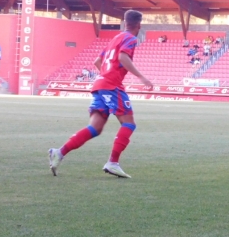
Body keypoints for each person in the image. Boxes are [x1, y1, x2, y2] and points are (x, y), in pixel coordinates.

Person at [48, 10, 153, 178]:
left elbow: (97, 61)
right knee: (129, 123)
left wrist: (105, 76)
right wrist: (141, 77)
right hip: (111, 86)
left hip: (100, 84)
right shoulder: (131, 39)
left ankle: (59, 153)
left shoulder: (115, 38)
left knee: (95, 128)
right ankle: (112, 162)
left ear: (125, 23)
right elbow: (123, 57)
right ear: (139, 25)